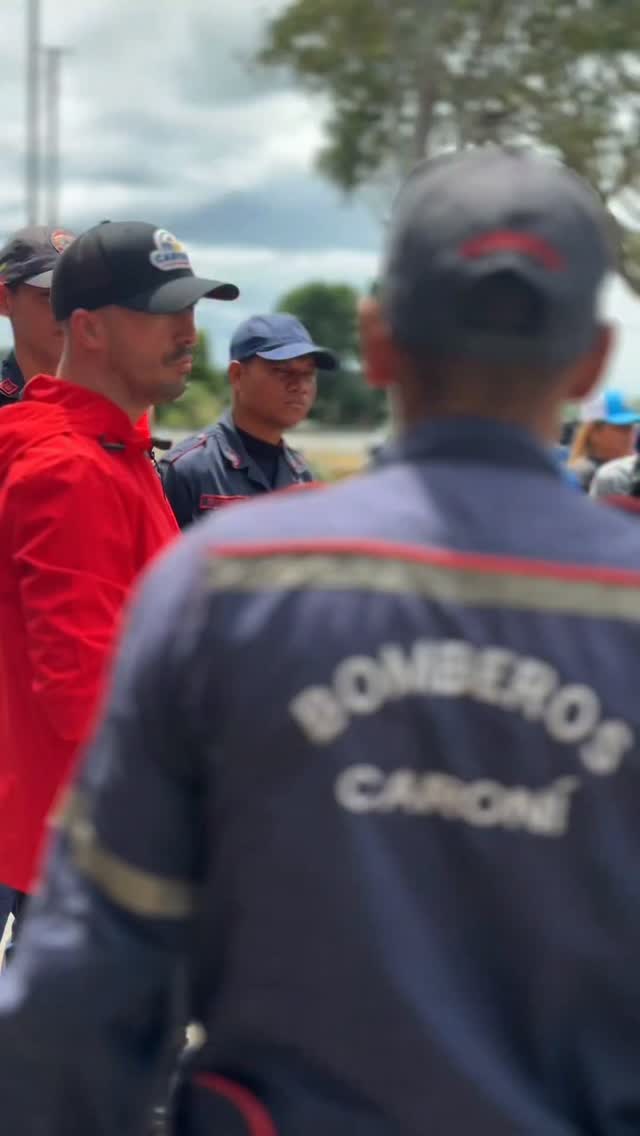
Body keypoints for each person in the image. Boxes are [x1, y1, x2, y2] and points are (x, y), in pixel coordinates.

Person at [3, 148, 640, 1136]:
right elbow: (75, 682)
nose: (185, 332)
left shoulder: (222, 582)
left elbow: (85, 994)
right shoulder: (104, 478)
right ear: (594, 359)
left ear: (377, 343)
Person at [0, 220, 238, 952]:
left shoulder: (111, 450)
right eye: (164, 311)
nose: (188, 332)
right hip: (88, 853)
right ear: (91, 328)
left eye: (193, 310)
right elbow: (88, 695)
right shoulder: (72, 468)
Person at [161, 313, 337, 528]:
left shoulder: (304, 476)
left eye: (308, 374)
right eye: (283, 371)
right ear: (237, 375)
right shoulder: (187, 470)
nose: (299, 385)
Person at [0, 224, 75, 406]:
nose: (72, 310)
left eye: (82, 294)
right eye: (50, 295)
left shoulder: (122, 400)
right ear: (4, 300)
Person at [566, 388, 640, 490]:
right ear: (594, 433)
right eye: (622, 427)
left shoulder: (630, 470)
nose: (630, 434)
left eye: (632, 426)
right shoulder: (581, 473)